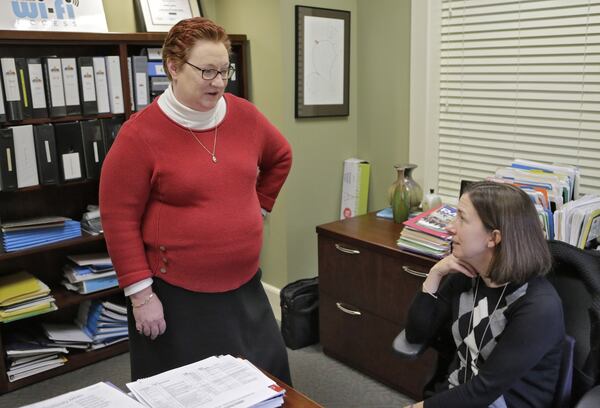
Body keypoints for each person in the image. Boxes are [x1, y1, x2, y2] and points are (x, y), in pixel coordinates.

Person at [99, 17, 292, 383]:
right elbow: (118, 219)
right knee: (195, 392)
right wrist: (141, 297)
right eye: (207, 71)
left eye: (224, 70)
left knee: (266, 383)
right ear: (173, 67)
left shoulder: (244, 115)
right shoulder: (139, 135)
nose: (219, 82)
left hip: (245, 286)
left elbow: (281, 156)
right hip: (178, 296)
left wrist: (260, 205)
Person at [404, 181, 564, 408]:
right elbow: (415, 336)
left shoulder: (538, 307)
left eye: (462, 218)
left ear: (493, 238)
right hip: (460, 394)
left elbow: (485, 389)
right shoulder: (467, 274)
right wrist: (435, 274)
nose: (450, 227)